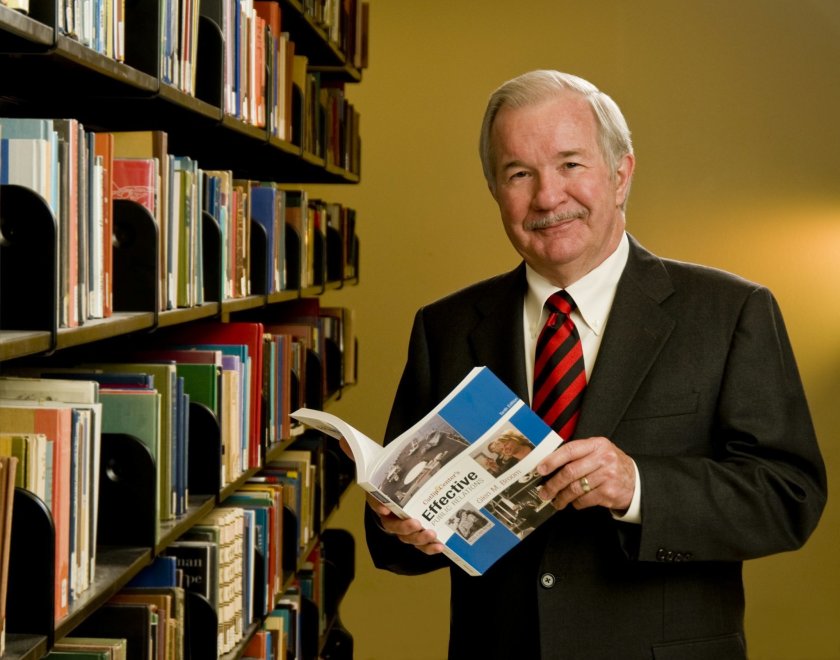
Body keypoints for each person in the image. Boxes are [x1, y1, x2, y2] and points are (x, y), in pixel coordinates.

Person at [360, 70, 827, 659]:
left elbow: (790, 496)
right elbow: (394, 538)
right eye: (519, 174)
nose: (548, 197)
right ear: (495, 191)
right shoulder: (445, 327)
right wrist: (399, 527)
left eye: (571, 165)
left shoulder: (731, 313)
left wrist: (639, 486)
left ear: (621, 173)